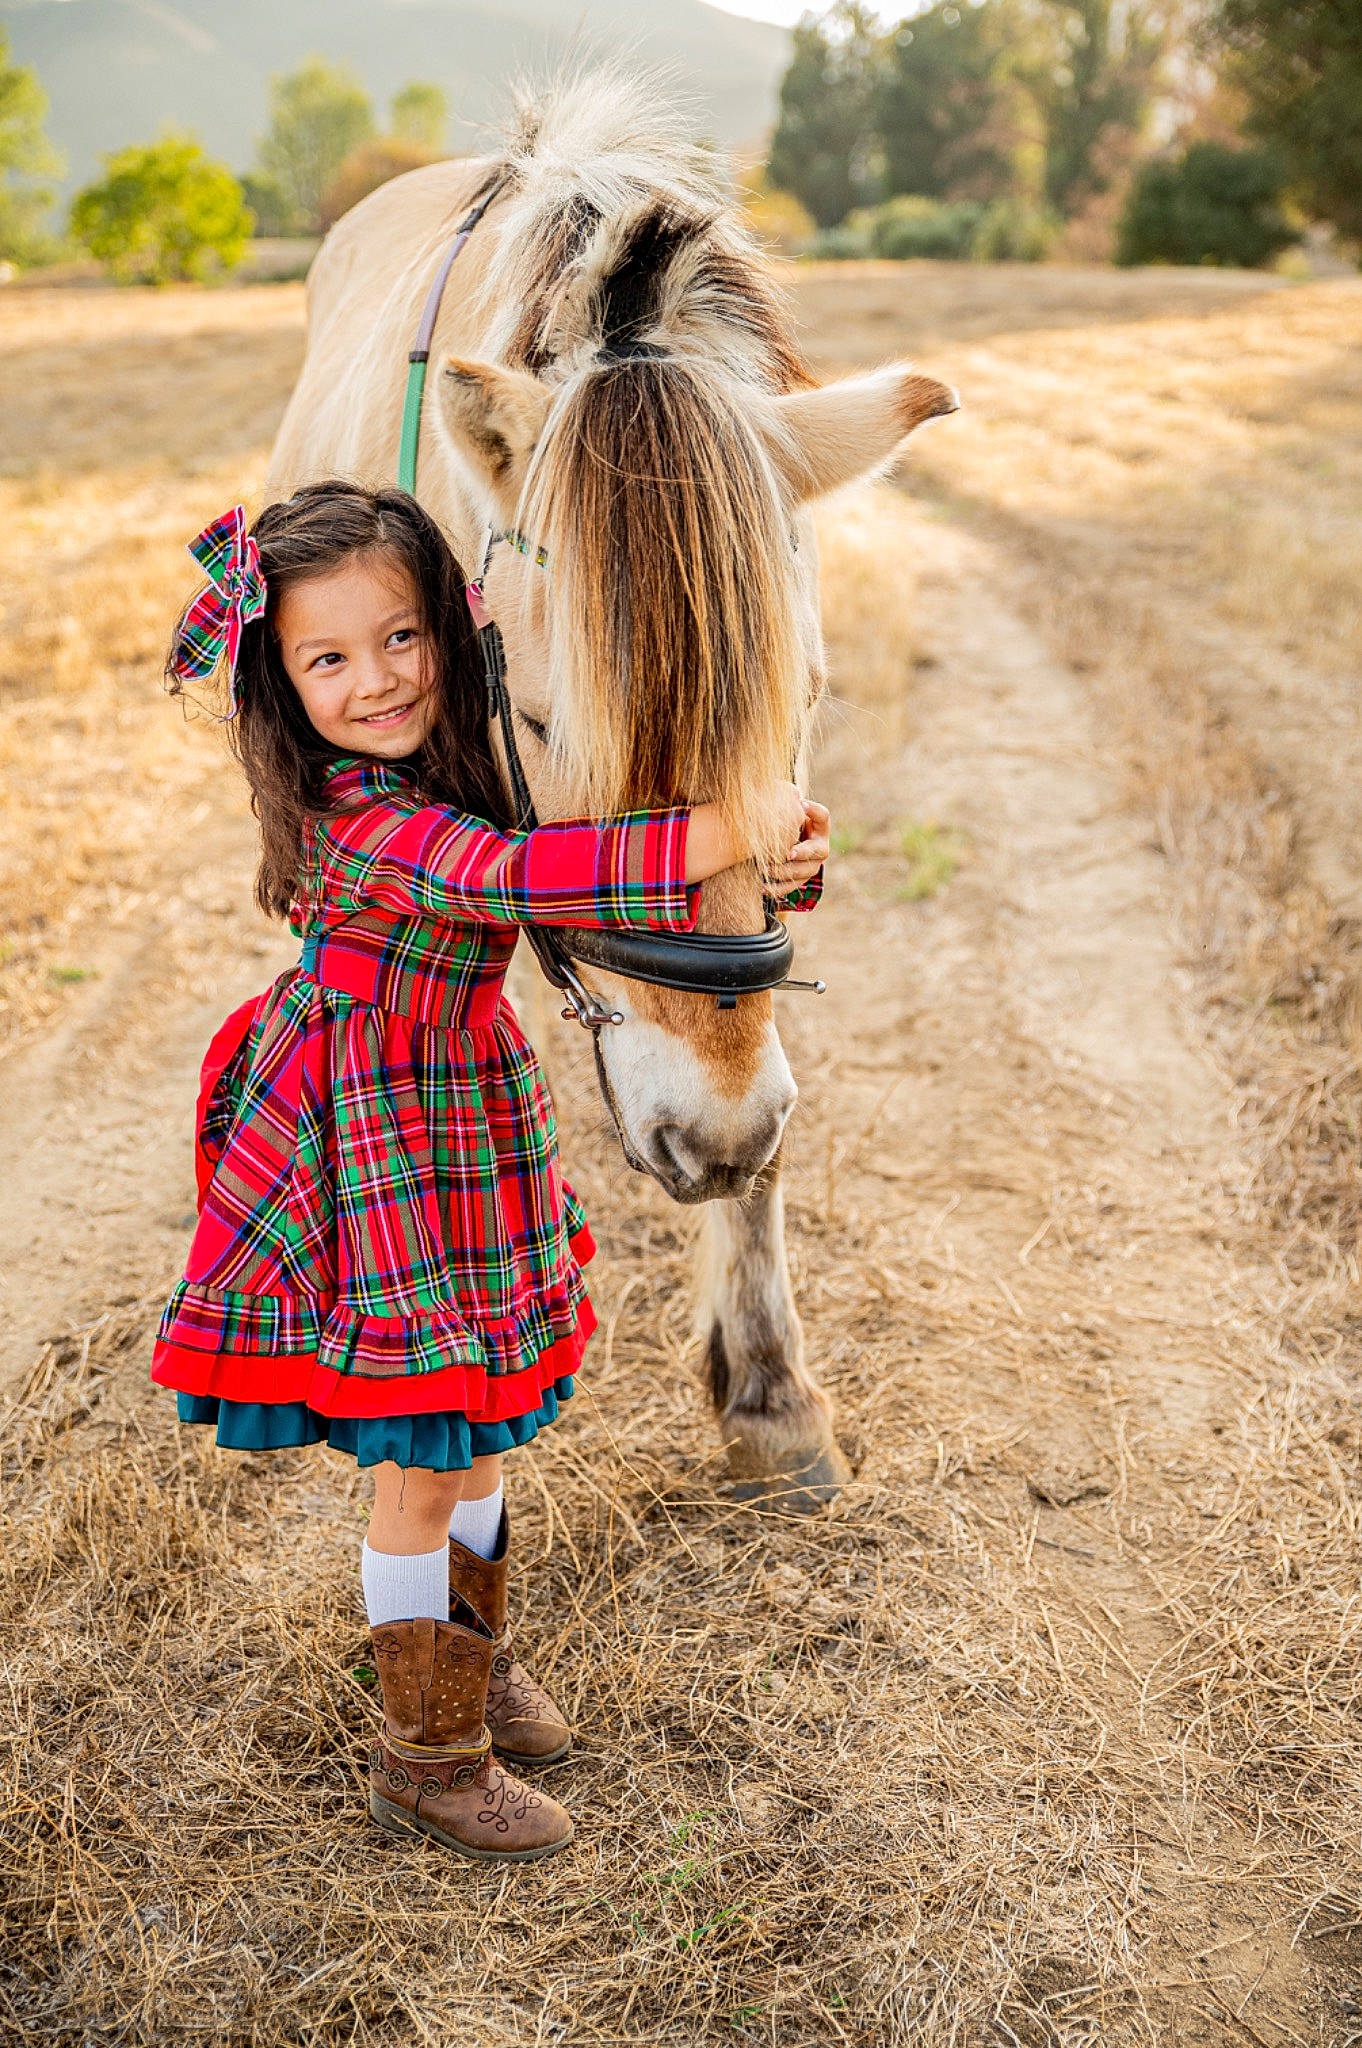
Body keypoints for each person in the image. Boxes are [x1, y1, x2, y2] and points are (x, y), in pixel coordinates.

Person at [154, 481, 829, 1863]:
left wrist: (772, 866)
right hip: (374, 1130)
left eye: (400, 638)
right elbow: (530, 876)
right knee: (421, 1457)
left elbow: (589, 865)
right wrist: (729, 822)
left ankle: (465, 1653)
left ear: (451, 634)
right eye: (325, 659)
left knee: (479, 1431)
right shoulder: (365, 820)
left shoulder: (450, 763)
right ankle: (426, 1755)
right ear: (280, 686)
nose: (376, 680)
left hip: (456, 1107)